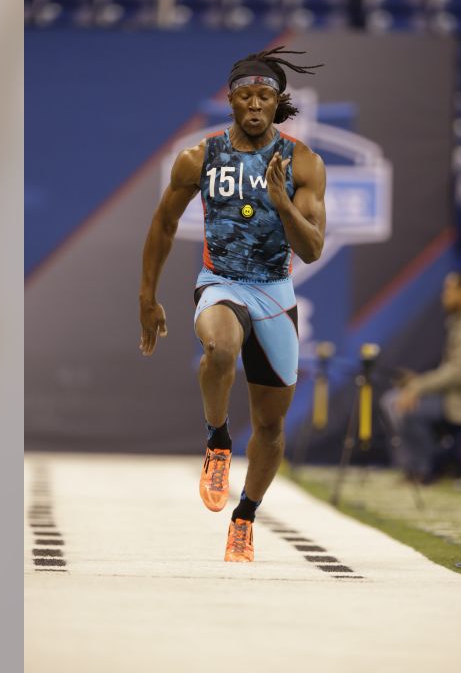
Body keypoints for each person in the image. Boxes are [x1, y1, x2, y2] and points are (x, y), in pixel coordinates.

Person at [138, 47, 326, 562]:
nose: (254, 104)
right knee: (220, 348)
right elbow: (163, 223)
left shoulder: (303, 162)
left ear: (277, 101)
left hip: (274, 292)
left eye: (265, 96)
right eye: (245, 95)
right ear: (231, 99)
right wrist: (147, 296)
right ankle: (217, 440)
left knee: (269, 427)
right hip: (220, 281)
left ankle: (244, 518)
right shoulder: (198, 158)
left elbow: (311, 249)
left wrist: (282, 201)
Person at [384, 271, 461, 483]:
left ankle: (424, 469)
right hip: (454, 395)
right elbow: (452, 369)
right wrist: (415, 384)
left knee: (406, 409)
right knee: (392, 400)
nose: (444, 295)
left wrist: (418, 387)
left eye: (450, 290)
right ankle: (414, 466)